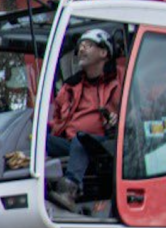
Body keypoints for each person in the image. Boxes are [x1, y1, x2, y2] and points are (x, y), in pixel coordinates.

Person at [44, 27, 122, 207]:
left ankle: (70, 190)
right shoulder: (69, 87)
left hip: (103, 144)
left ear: (104, 52)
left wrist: (117, 119)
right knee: (41, 141)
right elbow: (57, 119)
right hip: (73, 144)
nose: (81, 49)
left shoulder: (118, 83)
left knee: (82, 139)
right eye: (80, 47)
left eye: (88, 45)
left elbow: (132, 113)